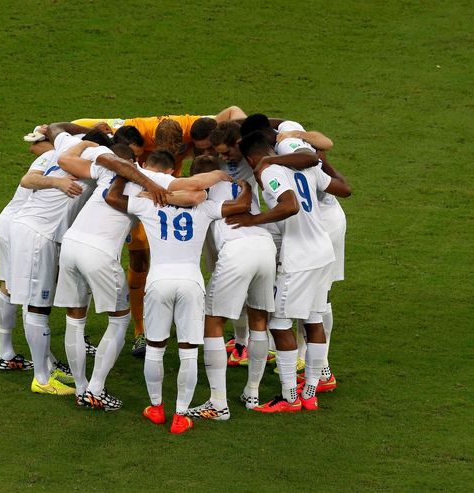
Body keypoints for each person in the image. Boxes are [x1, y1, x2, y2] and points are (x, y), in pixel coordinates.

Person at [51, 137, 229, 411]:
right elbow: (195, 193)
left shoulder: (108, 169)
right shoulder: (157, 178)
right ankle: (95, 389)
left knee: (75, 318)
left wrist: (86, 144)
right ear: (168, 171)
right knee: (120, 320)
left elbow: (64, 160)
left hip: (72, 243)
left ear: (143, 162)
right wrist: (218, 173)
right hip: (100, 251)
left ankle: (80, 387)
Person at [105, 172, 252, 433]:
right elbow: (241, 206)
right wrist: (246, 186)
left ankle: (156, 408)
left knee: (155, 348)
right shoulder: (204, 207)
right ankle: (181, 416)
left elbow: (112, 197)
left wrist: (123, 174)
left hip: (158, 282)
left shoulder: (148, 203)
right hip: (191, 283)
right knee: (188, 352)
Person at [227, 131, 350, 412]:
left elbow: (290, 205)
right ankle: (310, 393)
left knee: (280, 324)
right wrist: (324, 162)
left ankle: (289, 397)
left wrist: (254, 219)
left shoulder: (273, 173)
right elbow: (345, 189)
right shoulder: (306, 168)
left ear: (251, 158)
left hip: (300, 256)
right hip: (323, 251)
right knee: (313, 319)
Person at [8, 129, 112, 396]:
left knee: (33, 301)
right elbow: (27, 179)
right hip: (38, 234)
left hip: (34, 231)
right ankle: (42, 379)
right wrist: (58, 183)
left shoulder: (61, 153)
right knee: (38, 305)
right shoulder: (86, 164)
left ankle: (45, 367)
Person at [184, 156, 277, 419]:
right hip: (265, 245)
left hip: (236, 250)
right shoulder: (244, 182)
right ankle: (252, 392)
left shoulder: (202, 193)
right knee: (259, 318)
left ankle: (217, 403)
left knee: (213, 321)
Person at [0, 141, 84, 371]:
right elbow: (28, 178)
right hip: (22, 226)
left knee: (13, 286)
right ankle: (38, 362)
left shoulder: (53, 156)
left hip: (15, 223)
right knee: (27, 291)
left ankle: (17, 354)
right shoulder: (62, 159)